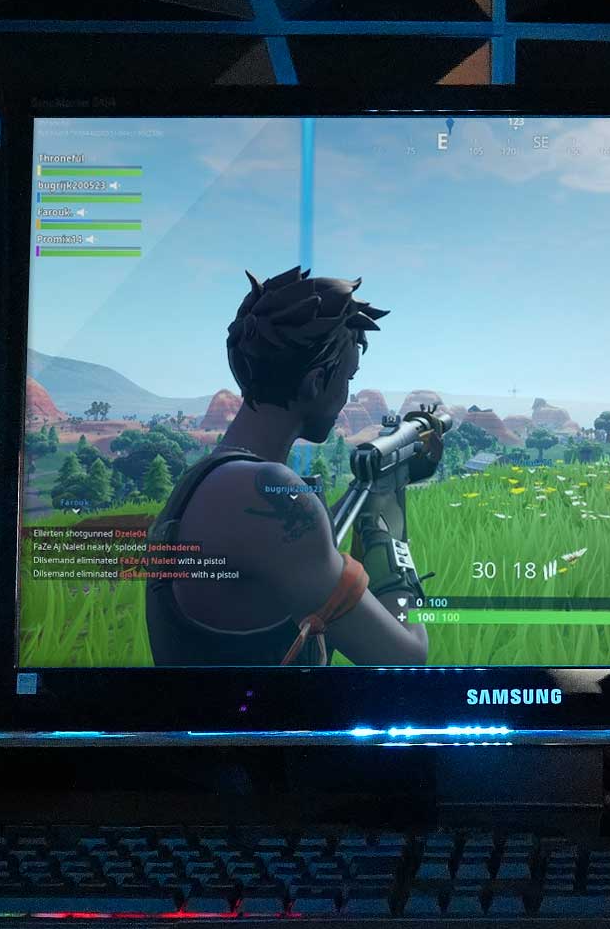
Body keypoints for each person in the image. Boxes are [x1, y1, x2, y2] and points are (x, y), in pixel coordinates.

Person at [143, 268, 430, 666]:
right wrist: (389, 531)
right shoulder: (268, 490)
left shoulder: (211, 478)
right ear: (315, 383)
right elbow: (405, 656)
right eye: (346, 379)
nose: (346, 397)